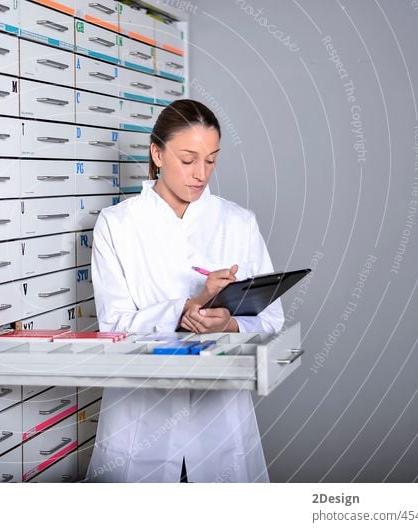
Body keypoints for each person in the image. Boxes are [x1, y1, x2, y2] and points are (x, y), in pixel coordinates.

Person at [86, 99, 284, 482]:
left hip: (220, 421)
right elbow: (113, 325)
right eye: (188, 159)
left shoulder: (238, 222)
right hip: (141, 419)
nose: (200, 173)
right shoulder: (117, 225)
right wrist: (187, 308)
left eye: (211, 160)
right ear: (157, 153)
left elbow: (272, 320)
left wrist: (227, 324)